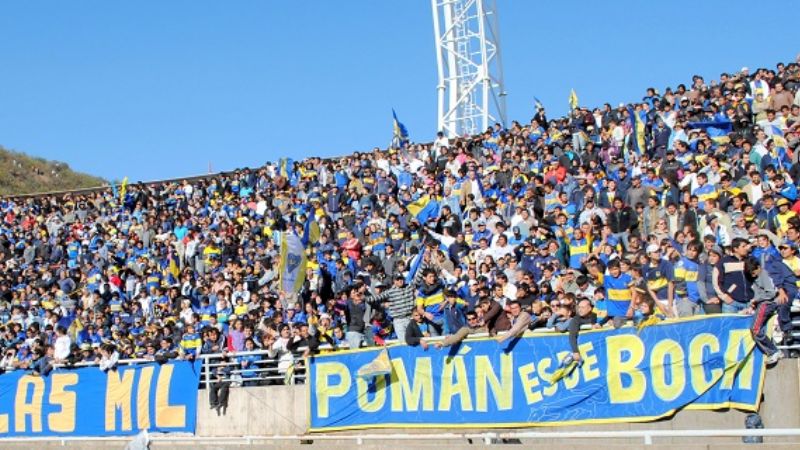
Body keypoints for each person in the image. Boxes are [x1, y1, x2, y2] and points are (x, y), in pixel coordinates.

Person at [746, 257, 783, 365]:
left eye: (753, 272)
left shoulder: (764, 275)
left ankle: (773, 351)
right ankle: (773, 351)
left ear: (758, 267)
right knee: (760, 329)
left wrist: (756, 299)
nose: (752, 275)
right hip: (762, 303)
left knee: (755, 329)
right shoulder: (758, 276)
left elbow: (771, 293)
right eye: (750, 273)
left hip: (766, 304)